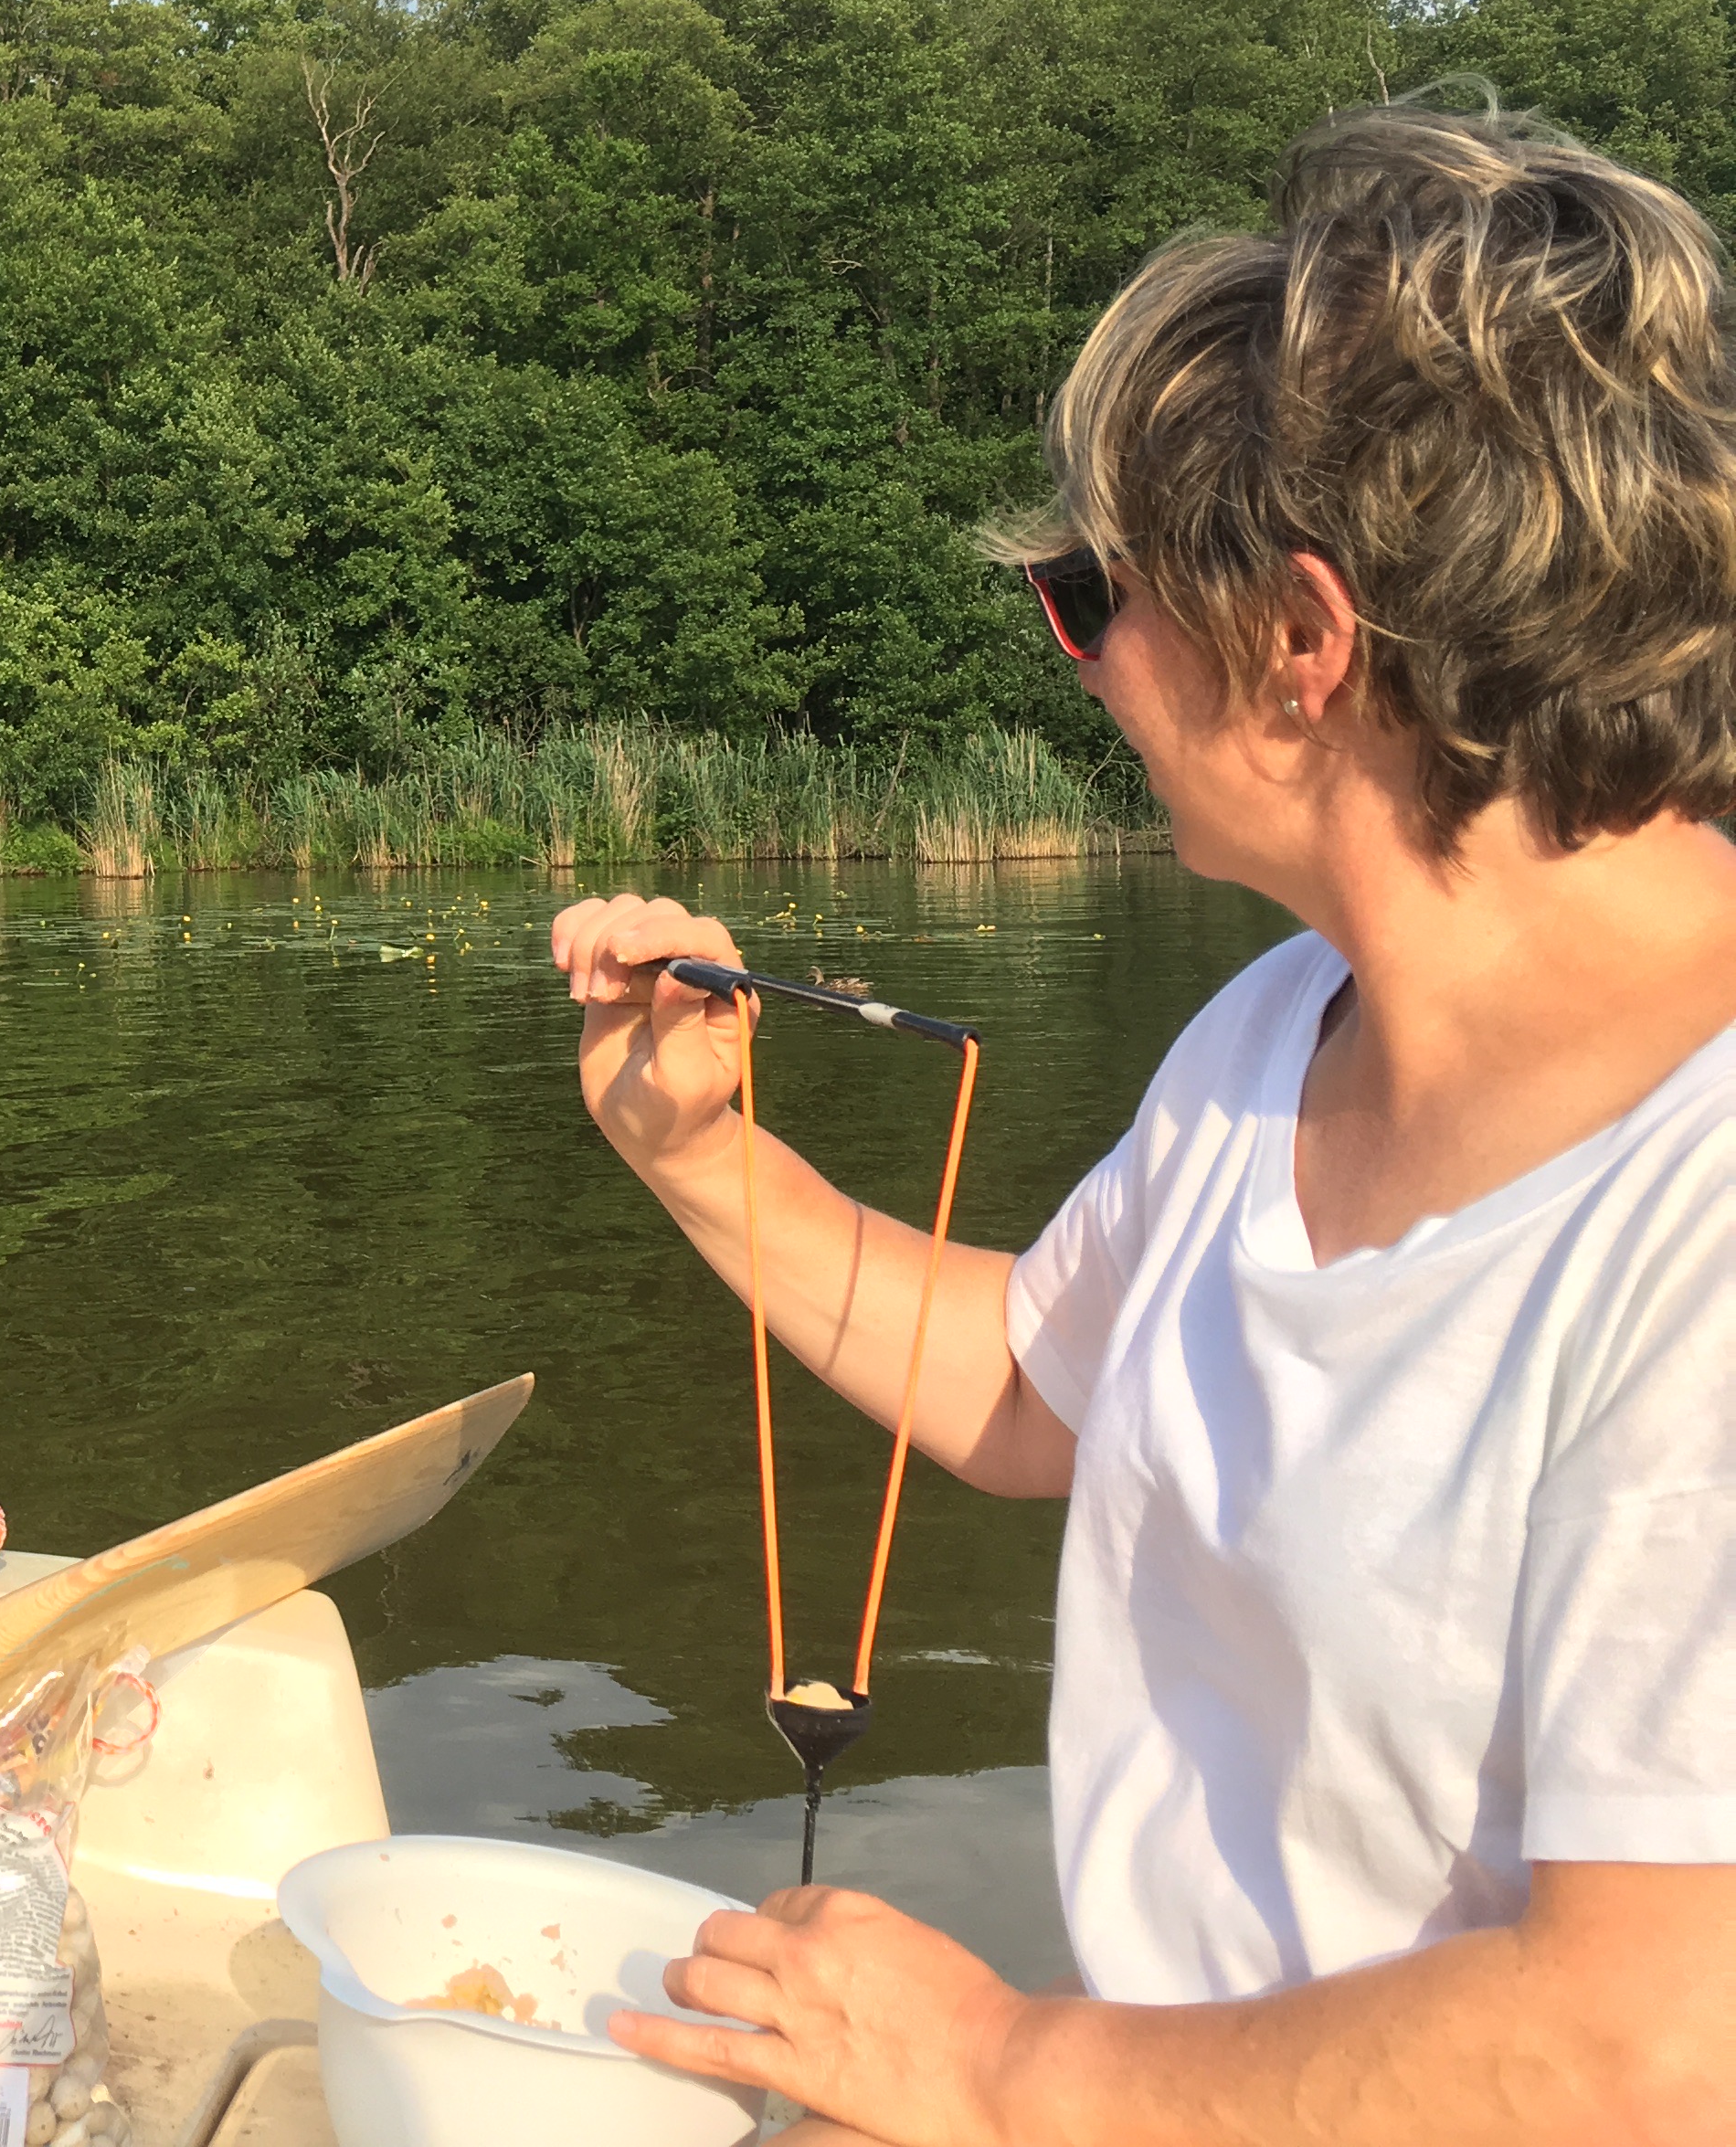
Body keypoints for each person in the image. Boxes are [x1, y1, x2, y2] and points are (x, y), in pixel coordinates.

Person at [548, 104, 1736, 2145]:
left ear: (1301, 643)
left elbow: (1657, 2051)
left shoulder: (1696, 1210)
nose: (1082, 665)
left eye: (1093, 595)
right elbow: (1040, 1390)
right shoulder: (1281, 1027)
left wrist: (998, 2069)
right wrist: (701, 1153)